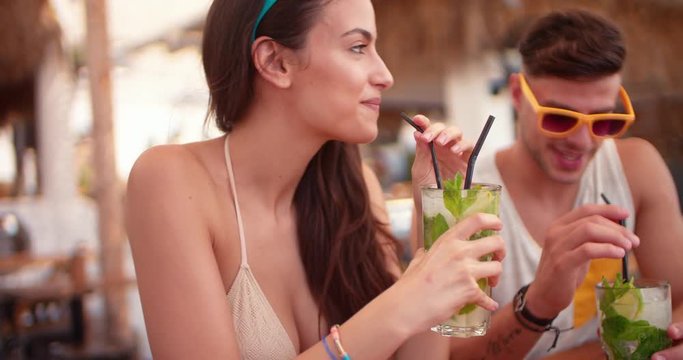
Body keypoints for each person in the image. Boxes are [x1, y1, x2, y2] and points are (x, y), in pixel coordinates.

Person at [125, 0, 505, 359]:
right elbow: (396, 316)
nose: (385, 75)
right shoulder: (172, 181)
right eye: (358, 47)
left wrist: (436, 220)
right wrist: (405, 301)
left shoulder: (355, 188)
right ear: (276, 62)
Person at [448, 9, 683, 359]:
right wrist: (538, 303)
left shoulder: (635, 169)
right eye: (559, 118)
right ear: (517, 94)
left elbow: (679, 299)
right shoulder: (468, 197)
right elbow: (452, 354)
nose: (583, 141)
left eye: (604, 121)